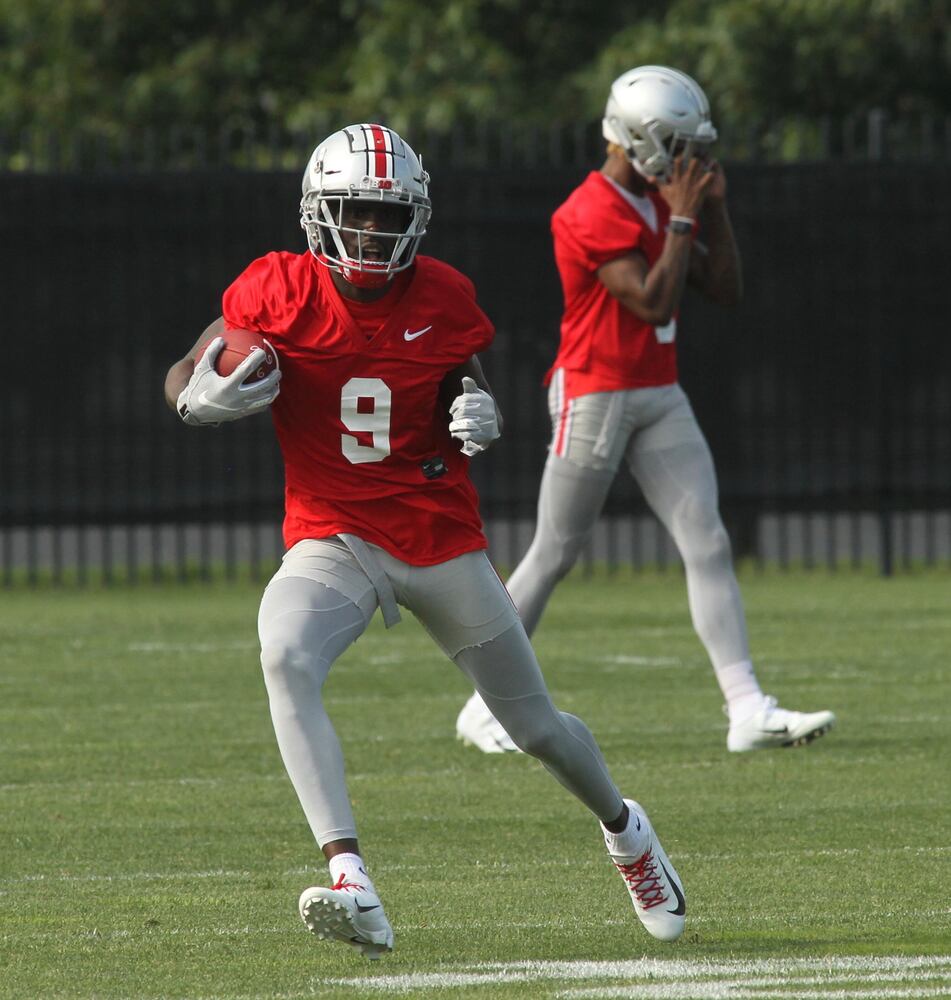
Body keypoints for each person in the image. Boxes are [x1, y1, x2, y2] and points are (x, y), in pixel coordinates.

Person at [164, 123, 687, 958]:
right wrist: (196, 398)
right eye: (357, 212)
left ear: (413, 220)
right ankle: (350, 879)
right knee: (284, 656)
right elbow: (191, 366)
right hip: (333, 535)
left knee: (535, 728)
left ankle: (627, 834)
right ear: (319, 214)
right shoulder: (275, 288)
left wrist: (478, 411)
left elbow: (462, 384)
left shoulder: (441, 294)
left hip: (438, 539)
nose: (371, 229)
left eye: (385, 214)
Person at [455, 66, 836, 756]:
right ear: (641, 138)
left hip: (657, 388)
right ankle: (482, 705)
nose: (689, 159)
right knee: (555, 551)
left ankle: (746, 707)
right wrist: (686, 215)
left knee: (707, 540)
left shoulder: (664, 198)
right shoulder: (586, 210)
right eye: (678, 144)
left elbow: (723, 288)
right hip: (595, 389)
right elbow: (653, 301)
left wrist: (710, 208)